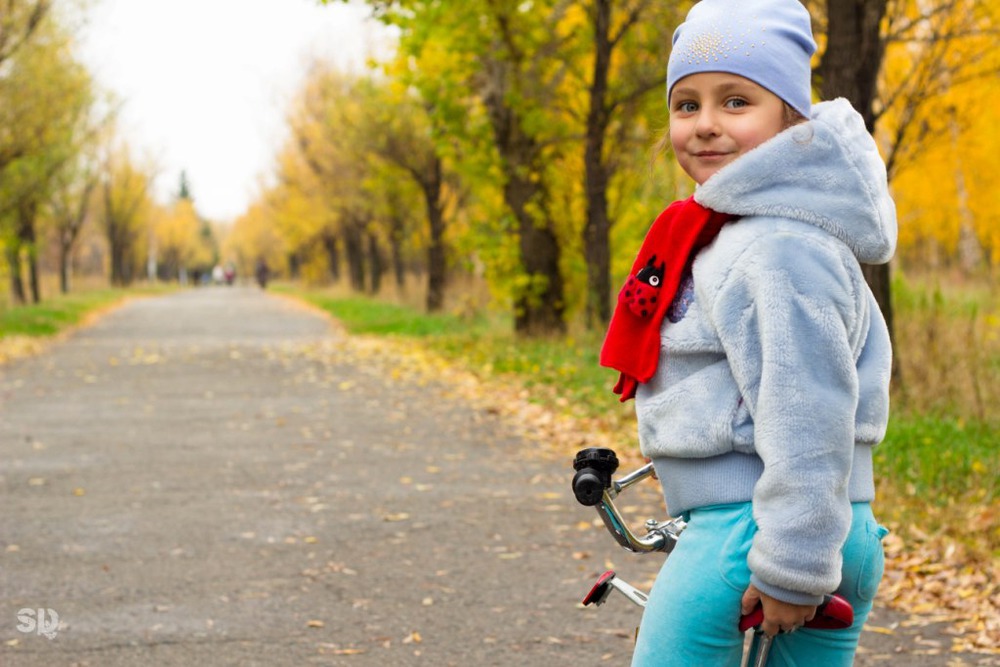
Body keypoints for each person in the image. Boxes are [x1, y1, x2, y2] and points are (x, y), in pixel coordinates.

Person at [599, 0, 896, 664]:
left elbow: (807, 409)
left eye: (736, 101)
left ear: (791, 117)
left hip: (758, 526)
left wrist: (791, 564)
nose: (705, 125)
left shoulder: (777, 247)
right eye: (686, 105)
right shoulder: (758, 233)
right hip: (818, 521)